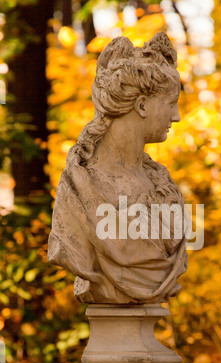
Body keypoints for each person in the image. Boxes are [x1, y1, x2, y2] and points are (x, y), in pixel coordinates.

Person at [48, 32, 188, 304]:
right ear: (143, 105)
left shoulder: (164, 186)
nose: (177, 116)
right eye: (171, 104)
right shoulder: (79, 186)